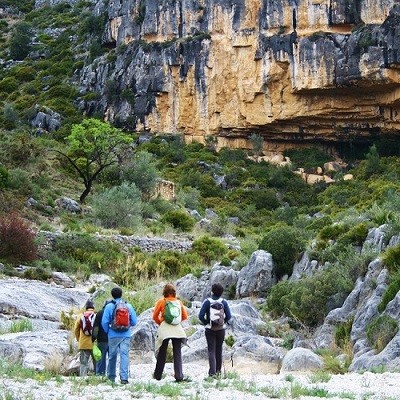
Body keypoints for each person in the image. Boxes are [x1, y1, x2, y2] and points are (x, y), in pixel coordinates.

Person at [152, 283, 189, 382]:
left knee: (162, 351)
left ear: (164, 292)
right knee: (177, 352)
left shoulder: (161, 301)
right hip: (177, 329)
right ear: (174, 293)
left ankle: (158, 375)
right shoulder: (178, 302)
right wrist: (175, 321)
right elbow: (185, 316)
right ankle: (179, 376)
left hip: (165, 329)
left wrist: (161, 322)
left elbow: (155, 316)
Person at [101, 287, 137, 384]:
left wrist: (108, 330)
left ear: (112, 295)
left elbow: (104, 322)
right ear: (121, 294)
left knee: (112, 355)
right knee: (124, 355)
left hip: (113, 335)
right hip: (126, 334)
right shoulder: (128, 305)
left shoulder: (109, 306)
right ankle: (124, 378)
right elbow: (134, 321)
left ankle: (111, 377)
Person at [198, 283, 232, 378]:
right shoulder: (224, 302)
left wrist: (206, 323)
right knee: (219, 350)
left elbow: (200, 316)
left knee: (211, 351)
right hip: (221, 330)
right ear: (221, 292)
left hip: (210, 329)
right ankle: (218, 372)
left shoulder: (207, 302)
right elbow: (229, 316)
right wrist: (223, 322)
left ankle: (212, 373)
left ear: (212, 291)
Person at [74, 299, 96, 377]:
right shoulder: (96, 315)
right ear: (93, 307)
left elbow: (76, 329)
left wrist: (78, 339)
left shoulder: (80, 316)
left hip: (83, 343)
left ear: (86, 307)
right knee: (96, 362)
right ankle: (97, 377)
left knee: (83, 363)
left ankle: (82, 378)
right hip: (95, 343)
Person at [92, 299, 112, 376]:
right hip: (112, 339)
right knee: (112, 359)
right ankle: (110, 374)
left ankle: (100, 374)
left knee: (101, 359)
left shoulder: (100, 313)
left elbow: (96, 328)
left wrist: (93, 338)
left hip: (101, 340)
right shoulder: (113, 313)